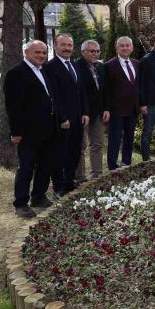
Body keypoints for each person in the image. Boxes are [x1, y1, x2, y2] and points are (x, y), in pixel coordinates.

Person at [4, 40, 57, 218]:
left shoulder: (44, 71)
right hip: (28, 132)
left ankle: (38, 196)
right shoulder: (15, 73)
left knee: (45, 165)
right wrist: (16, 131)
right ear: (26, 53)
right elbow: (12, 106)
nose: (41, 55)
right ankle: (21, 203)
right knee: (26, 168)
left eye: (44, 52)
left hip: (48, 128)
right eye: (37, 52)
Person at [43, 33, 88, 198]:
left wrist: (85, 112)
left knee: (75, 151)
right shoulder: (50, 67)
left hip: (78, 118)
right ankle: (59, 186)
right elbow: (54, 96)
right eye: (63, 45)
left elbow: (81, 90)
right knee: (60, 154)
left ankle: (69, 181)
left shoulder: (74, 64)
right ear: (55, 46)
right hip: (63, 121)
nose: (67, 48)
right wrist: (62, 118)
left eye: (70, 45)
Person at [103, 36, 140, 170]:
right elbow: (106, 90)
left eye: (127, 45)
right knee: (115, 139)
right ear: (116, 48)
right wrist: (106, 109)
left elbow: (138, 86)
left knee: (129, 138)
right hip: (116, 110)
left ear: (132, 47)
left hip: (132, 109)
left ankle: (126, 163)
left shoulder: (137, 64)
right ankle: (112, 166)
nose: (125, 48)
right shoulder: (109, 65)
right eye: (122, 46)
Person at [75, 39, 105, 180]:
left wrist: (106, 108)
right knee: (81, 145)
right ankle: (80, 176)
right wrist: (83, 111)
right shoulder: (76, 67)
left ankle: (97, 174)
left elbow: (105, 90)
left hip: (98, 112)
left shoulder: (101, 67)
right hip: (82, 113)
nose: (95, 54)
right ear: (83, 52)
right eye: (92, 51)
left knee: (97, 144)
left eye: (98, 51)